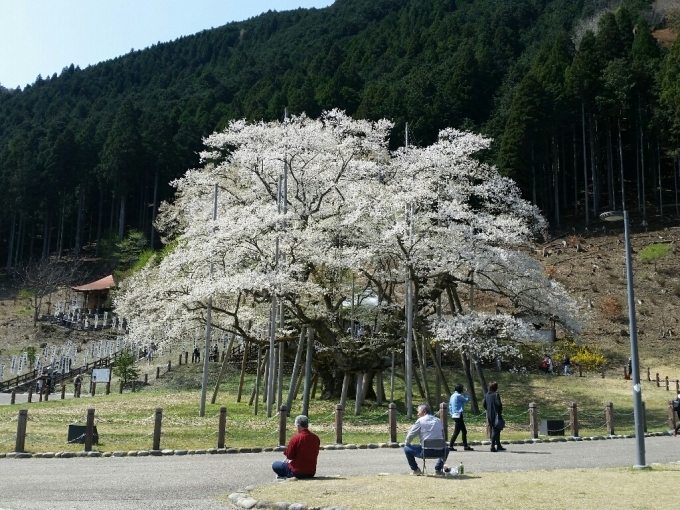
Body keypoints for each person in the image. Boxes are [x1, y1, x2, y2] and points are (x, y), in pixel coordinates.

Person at [404, 404, 448, 475]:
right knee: (446, 449)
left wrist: (407, 443)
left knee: (406, 448)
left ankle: (416, 470)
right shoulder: (438, 420)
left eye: (418, 412)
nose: (417, 414)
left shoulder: (420, 421)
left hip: (426, 451)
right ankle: (438, 469)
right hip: (440, 452)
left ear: (424, 412)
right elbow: (443, 436)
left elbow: (411, 434)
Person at [272, 415, 320, 479]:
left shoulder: (296, 438)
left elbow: (289, 456)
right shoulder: (316, 438)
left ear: (298, 426)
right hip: (311, 472)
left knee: (275, 464)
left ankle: (285, 475)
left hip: (296, 472)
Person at [448, 384, 474, 451]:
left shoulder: (452, 396)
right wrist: (466, 393)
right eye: (462, 389)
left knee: (463, 430)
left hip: (454, 414)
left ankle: (465, 446)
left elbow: (450, 406)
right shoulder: (458, 396)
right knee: (457, 431)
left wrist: (451, 413)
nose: (463, 389)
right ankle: (450, 446)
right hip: (458, 414)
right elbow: (466, 400)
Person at [483, 381, 506, 452]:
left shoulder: (487, 394)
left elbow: (484, 404)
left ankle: (498, 445)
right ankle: (492, 446)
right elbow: (499, 404)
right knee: (495, 430)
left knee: (496, 429)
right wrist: (500, 410)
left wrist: (488, 409)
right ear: (496, 387)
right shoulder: (496, 394)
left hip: (489, 414)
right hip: (496, 414)